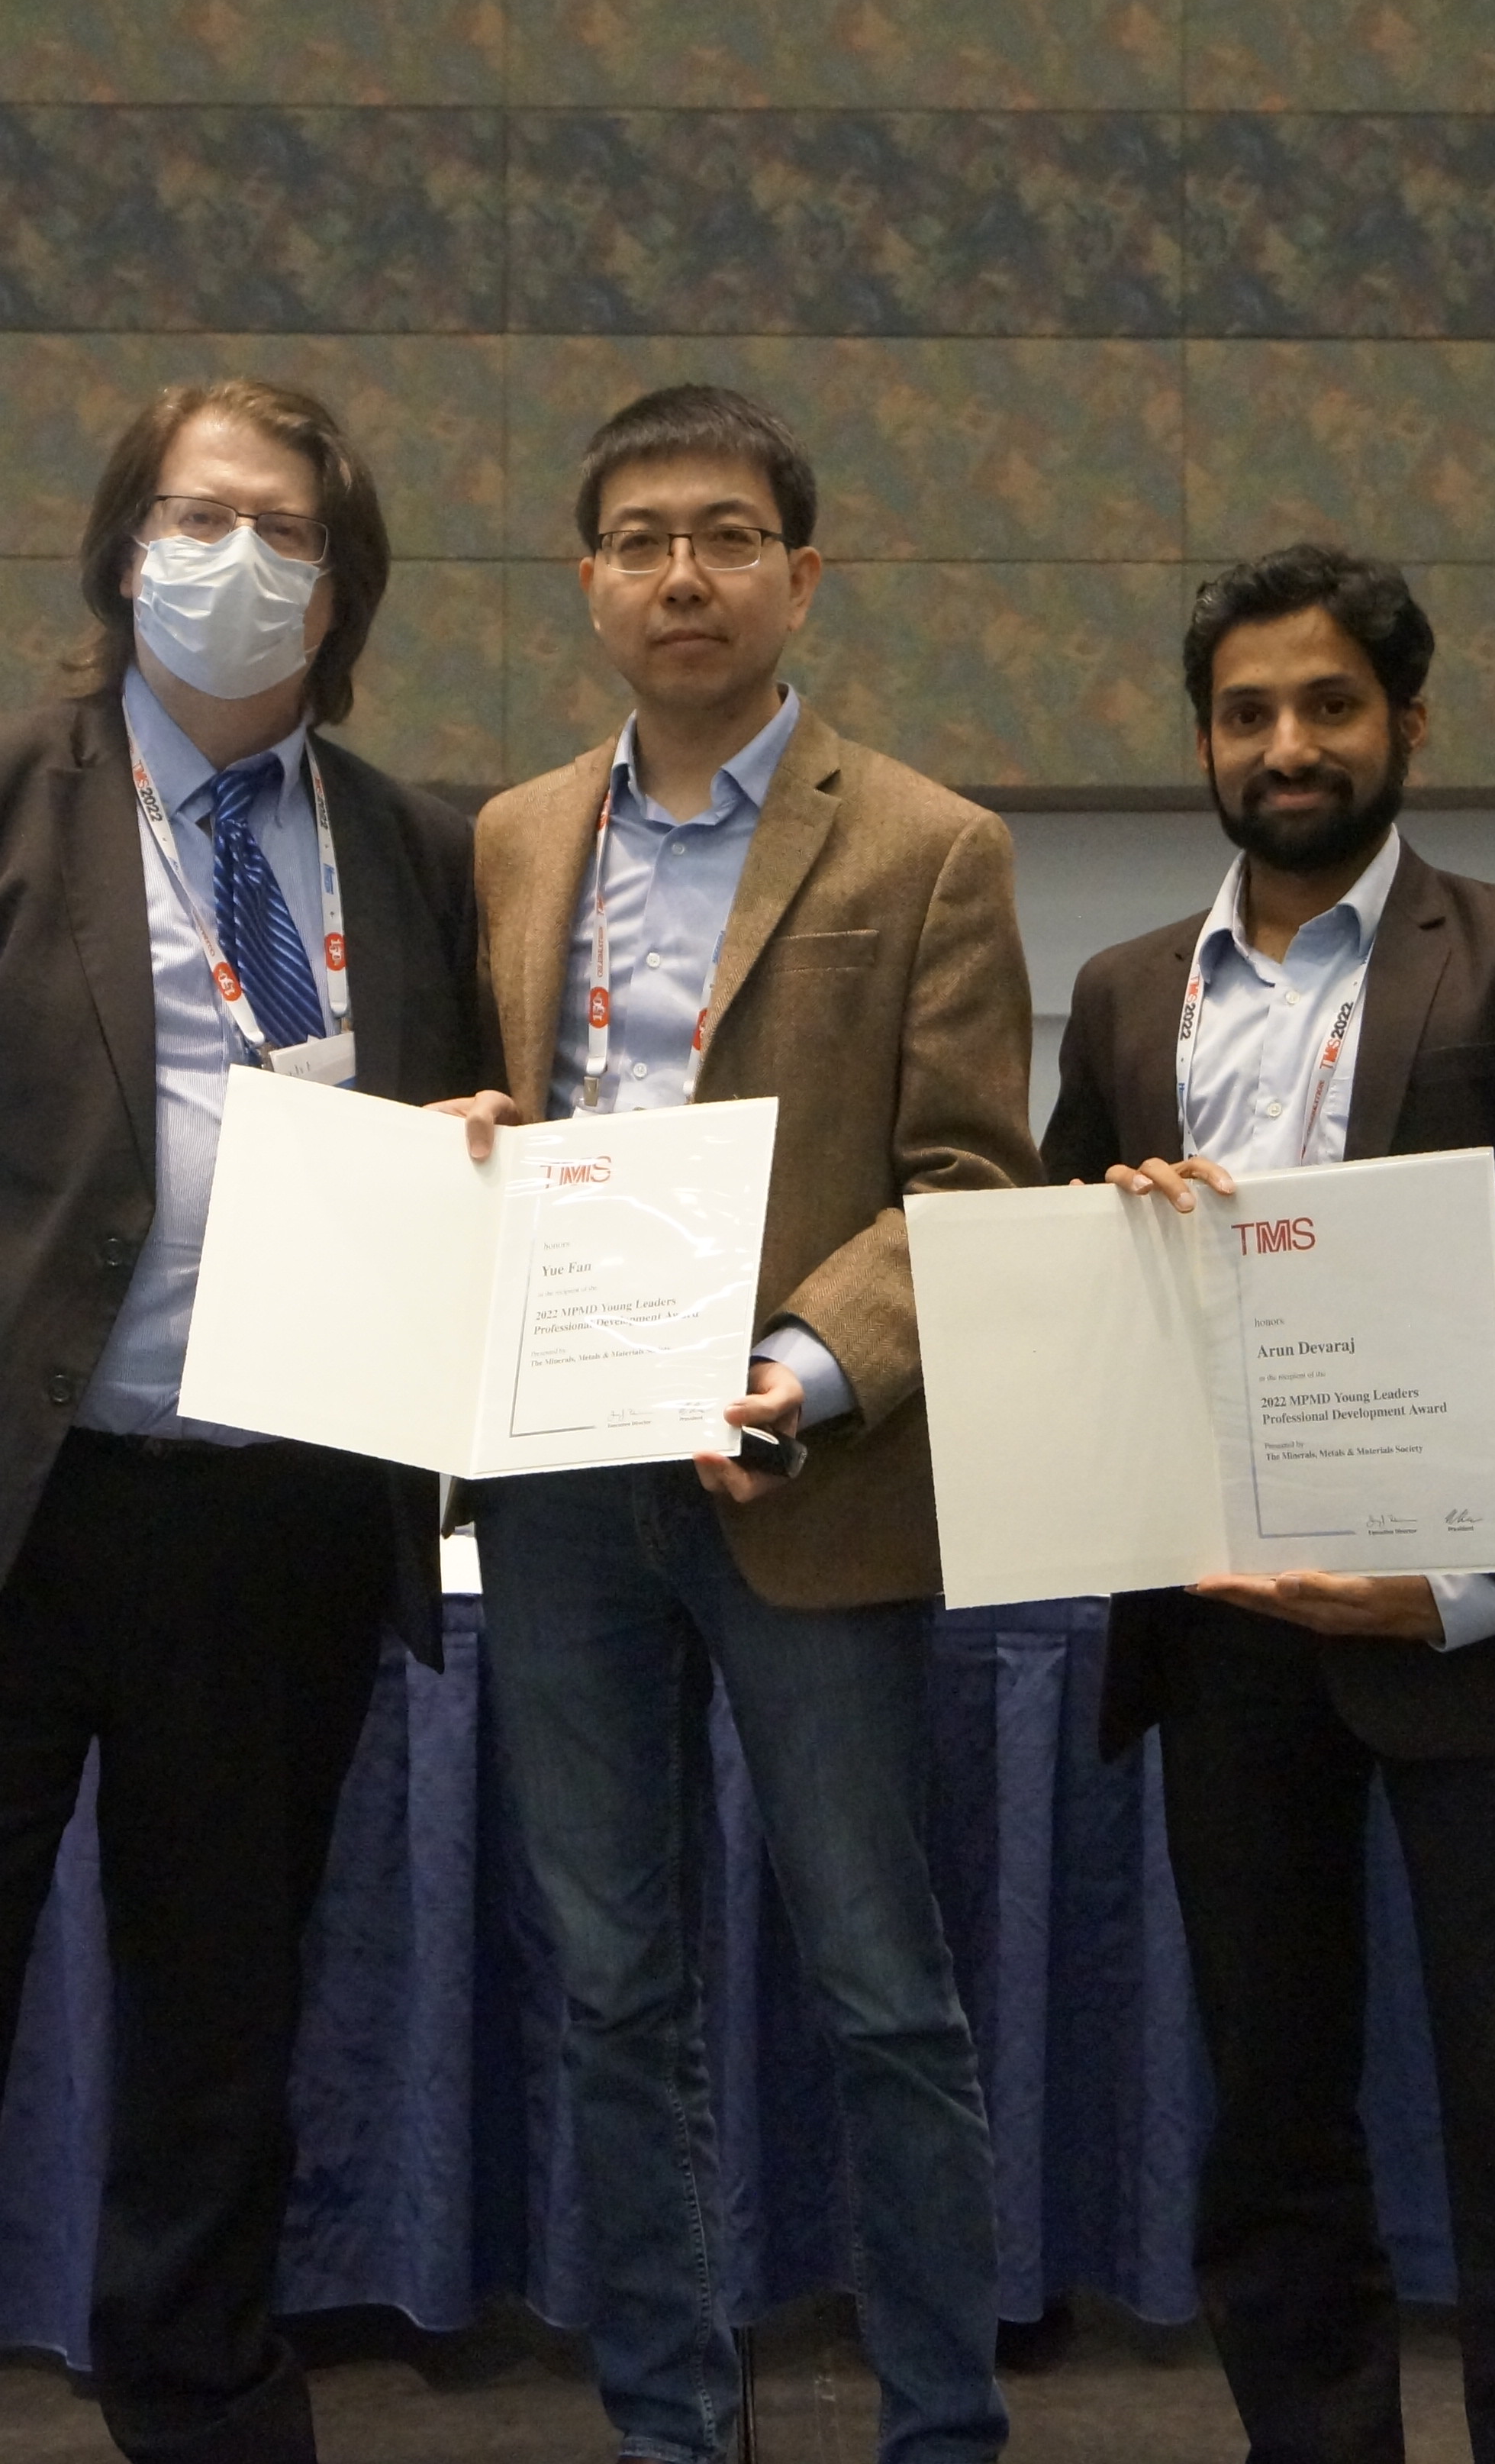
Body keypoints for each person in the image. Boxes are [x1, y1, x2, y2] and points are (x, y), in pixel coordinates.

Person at [0, 378, 488, 2464]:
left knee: (222, 2026)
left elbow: (466, 1142)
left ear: (343, 592)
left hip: (281, 1526)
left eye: (284, 532)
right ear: (117, 546)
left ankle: (203, 2412)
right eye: (193, 514)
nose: (233, 561)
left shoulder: (419, 848)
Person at [428, 384, 1036, 2464]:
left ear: (801, 571)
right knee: (614, 1991)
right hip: (562, 1487)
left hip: (811, 1474)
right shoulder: (512, 836)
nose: (681, 573)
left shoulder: (933, 843)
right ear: (587, 582)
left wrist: (810, 1367)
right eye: (637, 539)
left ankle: (943, 2425)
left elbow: (968, 1183)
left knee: (883, 1988)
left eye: (723, 534)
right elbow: (500, 1117)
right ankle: (672, 2426)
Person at [1041, 545, 1495, 2464]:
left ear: (1406, 722)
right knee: (1270, 2122)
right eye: (1245, 713)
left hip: (1455, 1633)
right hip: (1220, 1627)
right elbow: (1056, 1301)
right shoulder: (1115, 997)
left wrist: (1459, 1571)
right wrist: (1095, 1244)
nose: (1286, 743)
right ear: (1203, 746)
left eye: (1326, 704)